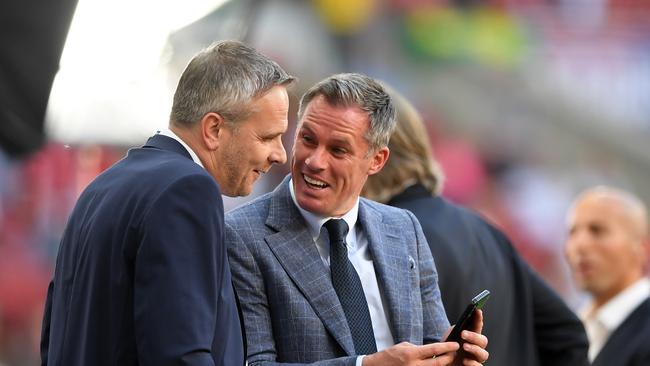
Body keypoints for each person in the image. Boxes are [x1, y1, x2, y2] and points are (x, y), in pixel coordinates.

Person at [40, 40, 294, 366]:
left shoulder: (101, 188)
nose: (280, 154)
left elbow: (54, 339)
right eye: (267, 137)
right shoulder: (187, 190)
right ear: (214, 128)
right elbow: (180, 354)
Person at [226, 73, 489, 366]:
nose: (314, 161)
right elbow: (255, 363)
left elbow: (432, 345)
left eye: (338, 150)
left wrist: (449, 359)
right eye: (307, 139)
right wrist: (365, 365)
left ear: (377, 160)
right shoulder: (241, 235)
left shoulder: (404, 229)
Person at [362, 89, 589, 366]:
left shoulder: (385, 240)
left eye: (341, 149)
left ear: (378, 158)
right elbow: (568, 333)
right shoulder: (485, 230)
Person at [564, 186, 650, 366]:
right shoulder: (569, 326)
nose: (579, 245)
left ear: (642, 248)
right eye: (572, 232)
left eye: (597, 230)